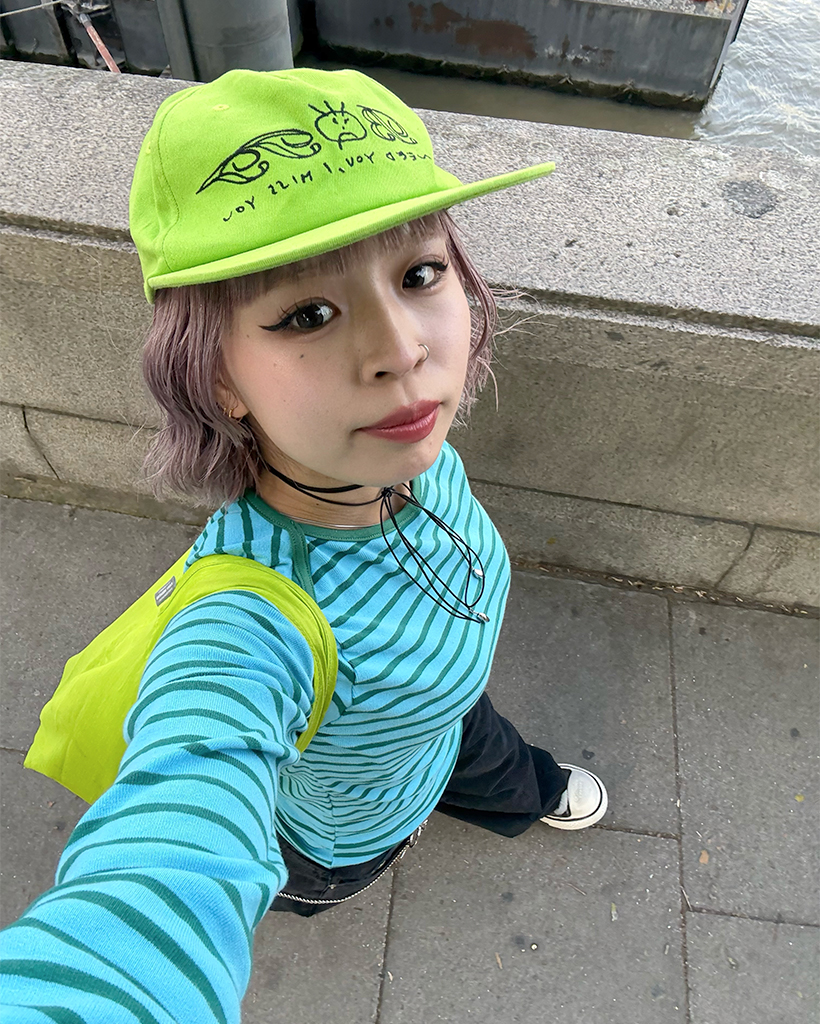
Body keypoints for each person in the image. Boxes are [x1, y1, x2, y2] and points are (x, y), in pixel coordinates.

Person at [0, 67, 607, 1021]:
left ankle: (522, 789)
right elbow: (168, 846)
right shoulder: (249, 624)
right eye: (308, 314)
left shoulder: (396, 452)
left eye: (419, 274)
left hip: (440, 715)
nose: (401, 349)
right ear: (217, 376)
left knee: (485, 748)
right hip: (343, 826)